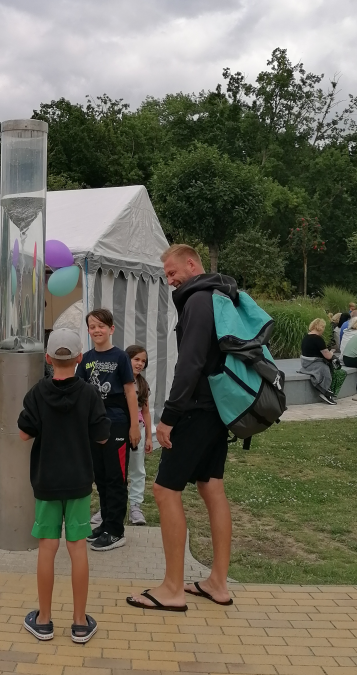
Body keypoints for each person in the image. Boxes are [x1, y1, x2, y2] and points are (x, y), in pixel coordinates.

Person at [127, 244, 233, 612]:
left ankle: (172, 588)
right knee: (211, 486)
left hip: (197, 409)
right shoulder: (220, 296)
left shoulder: (198, 300)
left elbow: (190, 363)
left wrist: (168, 416)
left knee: (164, 489)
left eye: (173, 273)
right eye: (167, 276)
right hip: (218, 407)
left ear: (192, 264)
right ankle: (217, 583)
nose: (170, 281)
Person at [17, 329, 110, 644]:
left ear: (47, 358)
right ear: (80, 358)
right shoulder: (89, 394)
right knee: (78, 547)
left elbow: (24, 434)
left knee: (47, 547)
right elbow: (101, 436)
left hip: (47, 481)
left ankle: (43, 620)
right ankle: (80, 622)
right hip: (79, 481)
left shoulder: (37, 393)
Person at [78, 308, 140, 552]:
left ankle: (116, 530)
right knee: (101, 477)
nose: (97, 330)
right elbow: (80, 391)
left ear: (111, 329)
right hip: (94, 425)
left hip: (117, 422)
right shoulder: (86, 358)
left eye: (101, 326)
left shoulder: (121, 357)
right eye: (92, 326)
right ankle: (105, 524)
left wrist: (134, 425)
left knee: (116, 477)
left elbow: (129, 391)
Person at [125, 345, 153, 526]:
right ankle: (109, 507)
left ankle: (135, 506)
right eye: (136, 359)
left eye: (143, 361)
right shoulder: (119, 381)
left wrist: (149, 436)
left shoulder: (142, 384)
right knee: (115, 470)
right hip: (119, 429)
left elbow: (146, 411)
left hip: (139, 431)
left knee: (137, 468)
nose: (140, 364)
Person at [299, 318, 338, 405]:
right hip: (314, 363)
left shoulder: (306, 337)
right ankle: (326, 391)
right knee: (328, 370)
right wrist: (332, 352)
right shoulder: (318, 339)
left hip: (306, 363)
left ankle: (327, 391)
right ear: (321, 327)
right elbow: (327, 355)